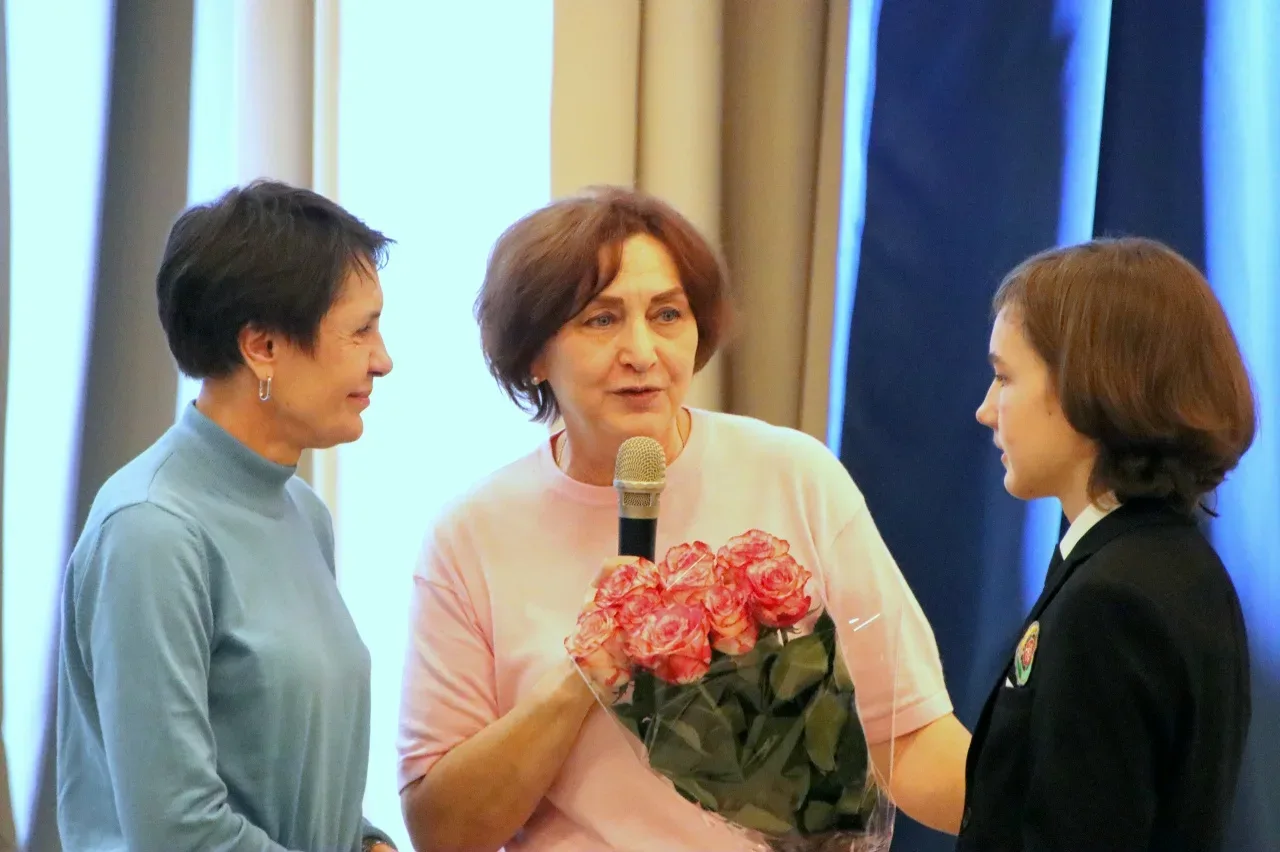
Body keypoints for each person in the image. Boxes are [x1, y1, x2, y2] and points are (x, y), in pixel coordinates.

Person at [396, 185, 972, 851]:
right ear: (533, 353)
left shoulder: (794, 476)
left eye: (667, 314)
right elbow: (444, 829)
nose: (642, 352)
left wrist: (1048, 815)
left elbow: (909, 737)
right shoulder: (472, 535)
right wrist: (580, 680)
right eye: (601, 320)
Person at [57, 180, 399, 852]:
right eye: (361, 330)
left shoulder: (303, 512)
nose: (383, 360)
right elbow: (178, 830)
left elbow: (301, 779)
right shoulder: (151, 530)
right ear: (262, 346)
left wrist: (368, 842)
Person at [961, 237, 1255, 851]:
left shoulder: (1111, 601)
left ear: (1086, 387)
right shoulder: (1170, 565)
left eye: (1004, 376)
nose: (986, 410)